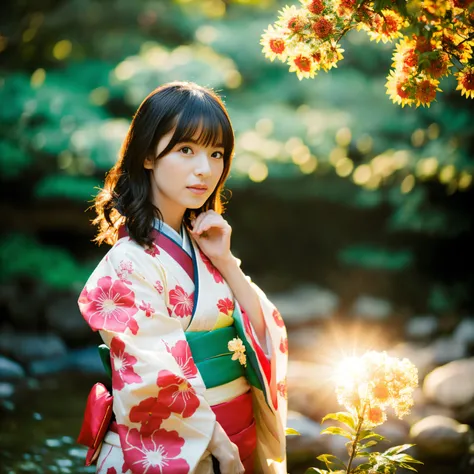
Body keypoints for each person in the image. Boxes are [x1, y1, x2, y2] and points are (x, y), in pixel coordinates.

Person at [77, 81, 288, 474]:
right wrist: (219, 445)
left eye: (216, 153)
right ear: (148, 156)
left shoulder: (207, 247)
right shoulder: (126, 263)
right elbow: (150, 374)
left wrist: (226, 262)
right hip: (190, 442)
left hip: (238, 431)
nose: (205, 169)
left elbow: (265, 333)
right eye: (186, 150)